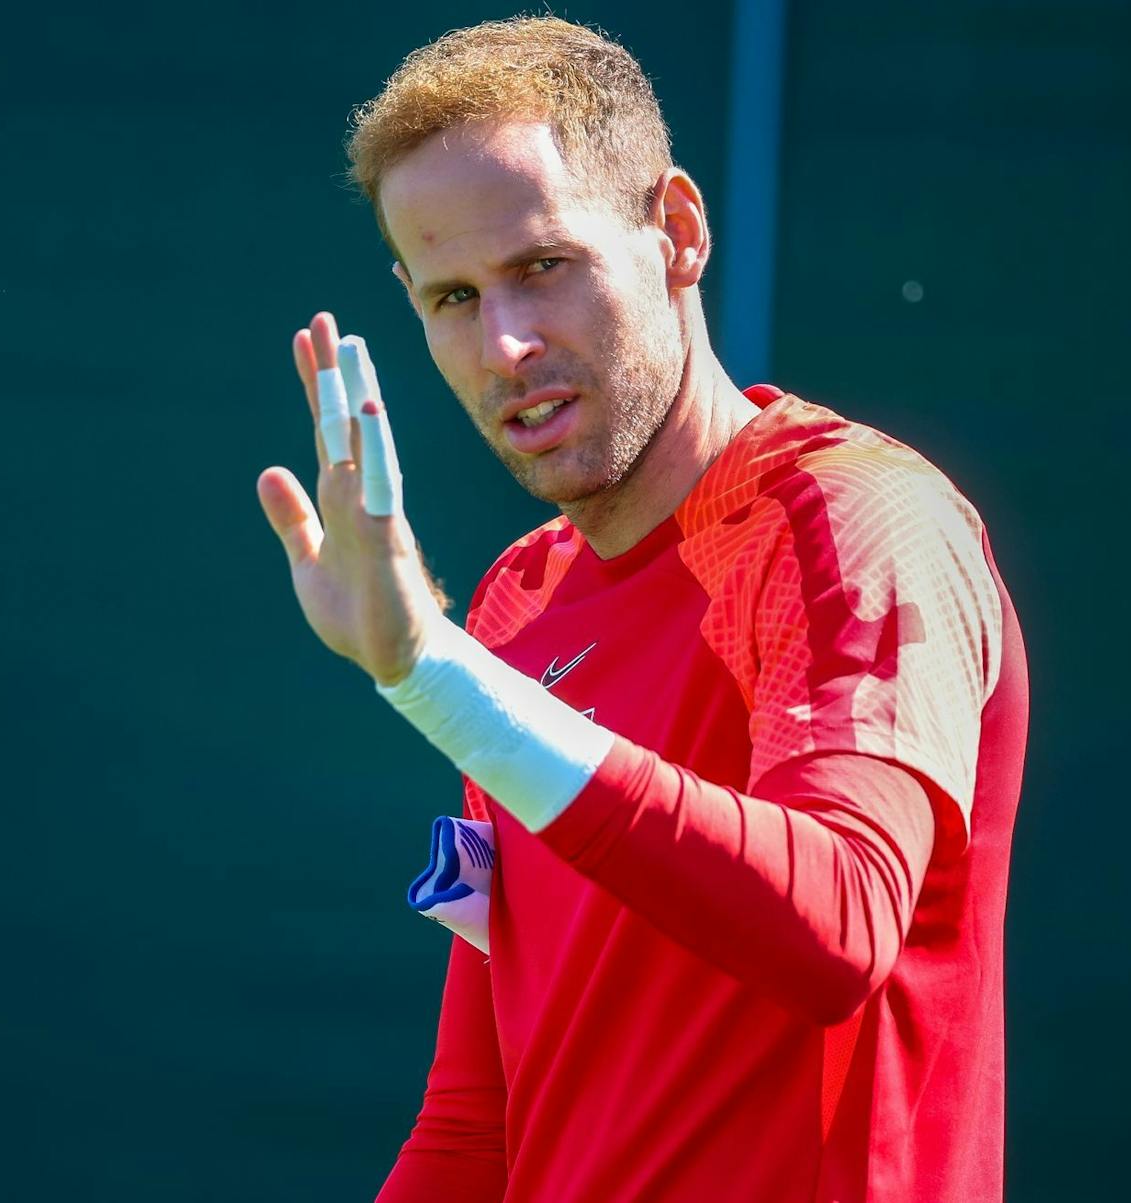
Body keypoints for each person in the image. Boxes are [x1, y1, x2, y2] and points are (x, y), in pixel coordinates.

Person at [255, 16, 1028, 1203]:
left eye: (540, 267)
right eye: (454, 297)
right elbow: (476, 1120)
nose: (505, 344)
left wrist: (434, 677)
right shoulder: (517, 600)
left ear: (676, 230)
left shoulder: (851, 519)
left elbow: (837, 927)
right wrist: (448, 673)